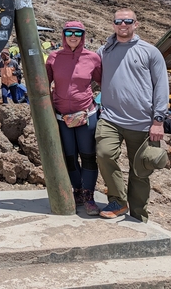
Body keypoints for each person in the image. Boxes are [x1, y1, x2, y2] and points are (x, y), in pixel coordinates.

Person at [96, 8, 168, 222]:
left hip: (143, 123)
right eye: (118, 21)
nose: (123, 24)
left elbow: (162, 87)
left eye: (128, 21)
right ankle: (118, 199)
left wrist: (158, 120)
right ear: (113, 25)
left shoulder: (150, 52)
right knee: (104, 153)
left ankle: (139, 216)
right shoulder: (104, 51)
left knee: (140, 170)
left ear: (136, 24)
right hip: (110, 118)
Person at [46, 21, 102, 216]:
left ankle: (89, 196)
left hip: (86, 115)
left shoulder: (92, 58)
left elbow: (102, 82)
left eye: (77, 33)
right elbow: (44, 85)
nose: (73, 36)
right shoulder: (53, 57)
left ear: (83, 35)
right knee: (69, 157)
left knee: (88, 156)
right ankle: (77, 191)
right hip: (62, 117)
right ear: (63, 35)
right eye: (69, 32)